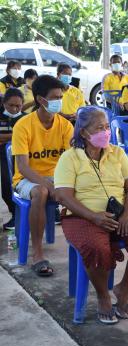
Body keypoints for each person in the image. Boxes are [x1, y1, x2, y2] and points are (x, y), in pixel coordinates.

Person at [55, 106, 128, 324]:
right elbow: (63, 196)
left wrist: (127, 214)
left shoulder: (117, 153)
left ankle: (122, 290)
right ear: (84, 133)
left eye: (107, 126)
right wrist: (93, 216)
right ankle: (103, 295)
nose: (106, 132)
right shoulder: (70, 158)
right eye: (99, 128)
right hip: (81, 216)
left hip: (118, 214)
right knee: (96, 246)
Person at [11, 75, 74, 276]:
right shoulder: (23, 125)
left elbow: (71, 161)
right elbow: (23, 167)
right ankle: (37, 254)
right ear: (40, 99)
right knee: (41, 192)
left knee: (85, 190)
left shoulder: (65, 125)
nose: (59, 101)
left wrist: (63, 184)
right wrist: (49, 185)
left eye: (60, 96)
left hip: (58, 177)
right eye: (55, 97)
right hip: (27, 179)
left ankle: (85, 244)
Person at [0, 88, 26, 230]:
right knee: (6, 184)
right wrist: (16, 135)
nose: (15, 109)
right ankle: (14, 213)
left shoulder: (26, 118)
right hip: (3, 156)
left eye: (19, 106)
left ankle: (20, 215)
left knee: (20, 184)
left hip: (23, 156)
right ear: (4, 103)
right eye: (11, 105)